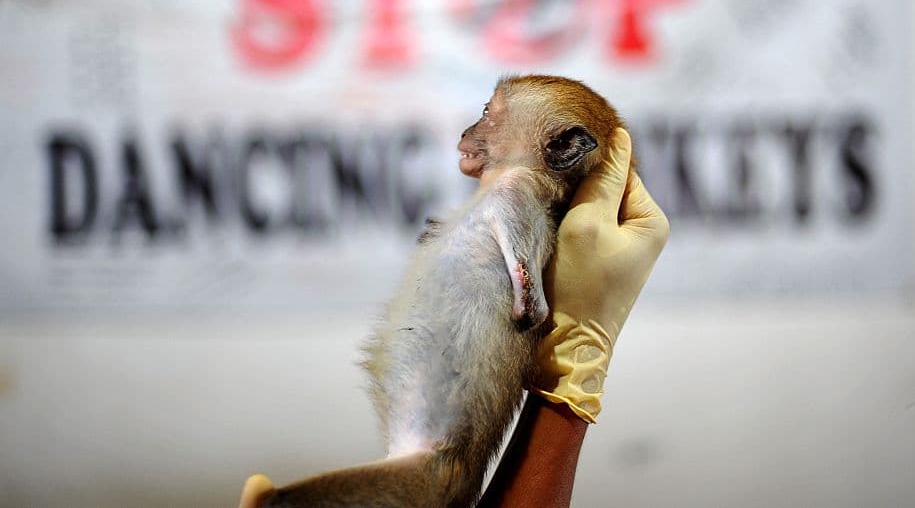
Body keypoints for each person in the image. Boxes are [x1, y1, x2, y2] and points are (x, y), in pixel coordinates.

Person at [238, 128, 670, 508]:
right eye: (487, 110)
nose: (476, 130)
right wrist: (575, 363)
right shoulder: (494, 204)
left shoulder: (516, 202)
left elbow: (527, 297)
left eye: (498, 116)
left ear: (559, 147)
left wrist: (568, 353)